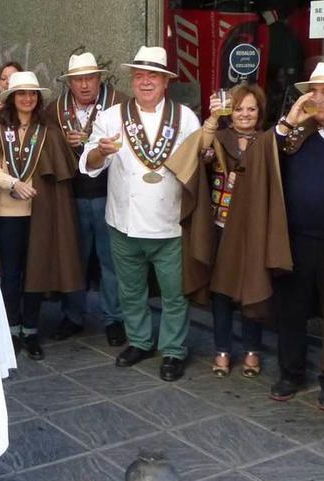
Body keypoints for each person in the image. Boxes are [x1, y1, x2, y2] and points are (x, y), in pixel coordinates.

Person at [219, 62, 324, 408]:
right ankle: (290, 372)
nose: (318, 98)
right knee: (290, 309)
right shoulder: (295, 131)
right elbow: (258, 159)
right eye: (314, 91)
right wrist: (289, 120)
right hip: (292, 237)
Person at [80, 47, 204, 381]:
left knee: (174, 293)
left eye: (152, 76)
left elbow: (197, 167)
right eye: (139, 76)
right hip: (124, 221)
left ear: (165, 81)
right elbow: (89, 164)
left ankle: (174, 350)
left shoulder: (186, 118)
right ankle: (139, 340)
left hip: (171, 223)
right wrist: (98, 153)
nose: (145, 82)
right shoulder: (111, 116)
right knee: (130, 290)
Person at [0, 71, 83, 360]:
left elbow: (60, 172)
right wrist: (12, 184)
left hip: (41, 211)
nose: (28, 98)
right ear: (11, 98)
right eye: (22, 94)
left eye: (32, 94)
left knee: (36, 270)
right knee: (11, 271)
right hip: (7, 211)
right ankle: (11, 327)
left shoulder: (49, 131)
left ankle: (31, 330)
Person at [44, 52, 125, 346]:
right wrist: (63, 145)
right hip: (70, 196)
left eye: (90, 78)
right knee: (72, 257)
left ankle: (114, 318)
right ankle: (72, 315)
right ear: (70, 83)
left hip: (109, 192)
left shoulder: (120, 103)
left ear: (99, 78)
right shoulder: (54, 110)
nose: (85, 85)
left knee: (111, 260)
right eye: (78, 80)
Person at [200, 84, 267, 377]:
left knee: (253, 290)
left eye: (251, 108)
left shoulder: (268, 142)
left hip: (254, 229)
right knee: (222, 293)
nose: (245, 114)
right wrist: (212, 119)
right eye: (239, 108)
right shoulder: (219, 137)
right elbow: (199, 155)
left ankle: (252, 350)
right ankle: (223, 350)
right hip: (220, 225)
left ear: (260, 112)